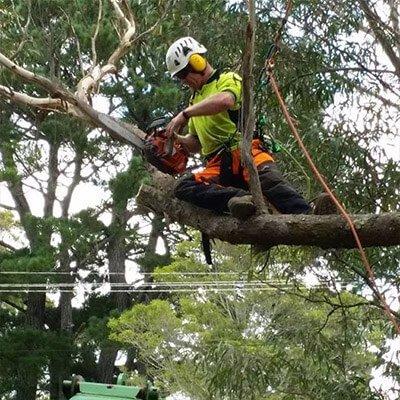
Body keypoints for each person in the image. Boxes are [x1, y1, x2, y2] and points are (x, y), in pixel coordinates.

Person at [164, 36, 311, 218]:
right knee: (184, 187)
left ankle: (312, 214)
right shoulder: (194, 100)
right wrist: (176, 138)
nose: (183, 81)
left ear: (197, 62)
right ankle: (244, 201)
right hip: (218, 164)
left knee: (272, 184)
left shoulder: (227, 79)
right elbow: (196, 143)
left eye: (182, 75)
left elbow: (226, 100)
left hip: (246, 151)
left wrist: (185, 114)